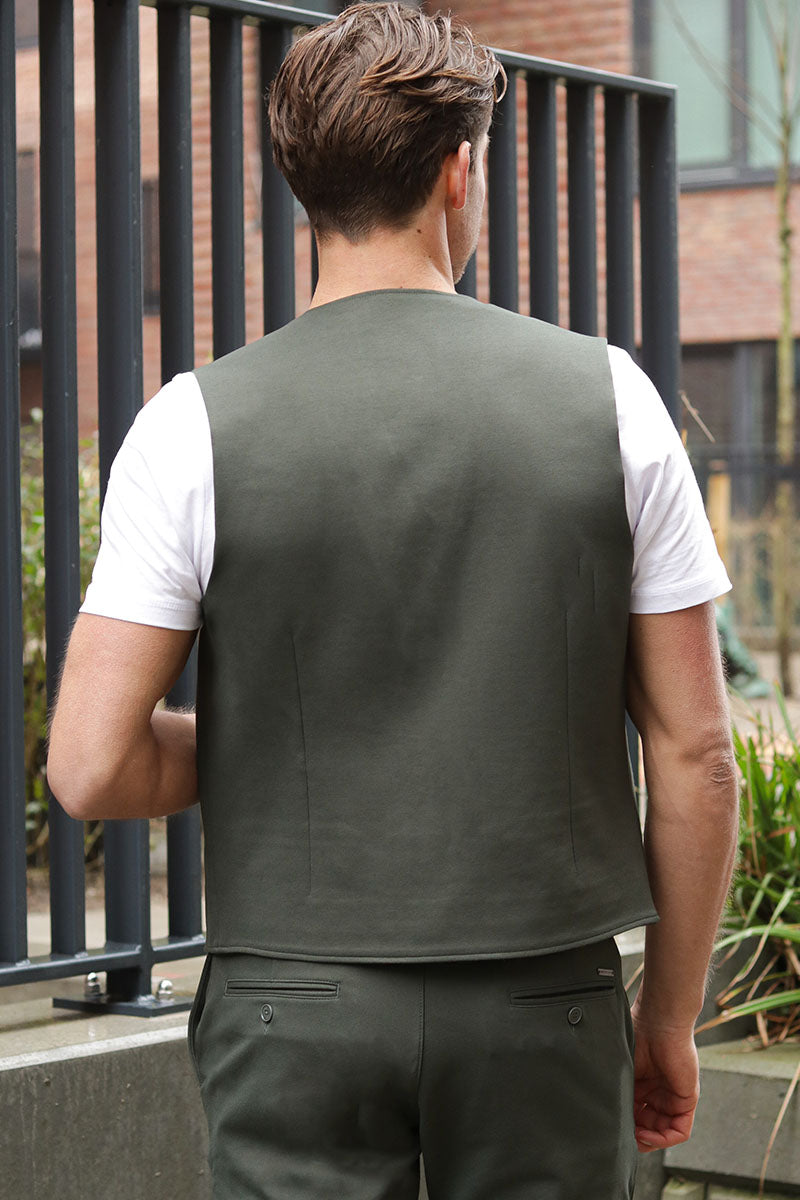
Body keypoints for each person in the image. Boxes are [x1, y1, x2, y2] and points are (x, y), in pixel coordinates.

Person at [48, 4, 739, 1197]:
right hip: (544, 1002)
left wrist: (268, 743)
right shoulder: (611, 402)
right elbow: (695, 754)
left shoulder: (188, 426)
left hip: (290, 1006)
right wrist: (668, 1018)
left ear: (301, 187)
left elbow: (92, 766)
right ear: (456, 173)